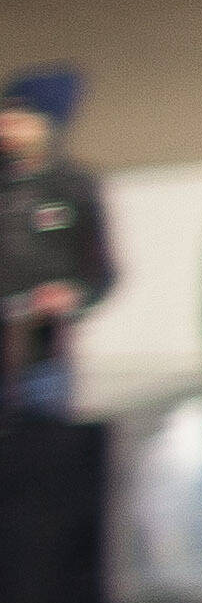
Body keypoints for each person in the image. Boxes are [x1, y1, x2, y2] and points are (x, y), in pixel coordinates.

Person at [2, 68, 111, 419]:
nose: (6, 125)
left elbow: (101, 271)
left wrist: (72, 295)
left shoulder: (75, 185)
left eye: (19, 118)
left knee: (44, 436)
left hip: (44, 352)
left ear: (46, 125)